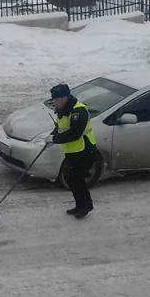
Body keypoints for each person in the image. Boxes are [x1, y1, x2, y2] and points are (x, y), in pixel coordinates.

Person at [48, 84, 96, 219]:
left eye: (57, 99)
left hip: (85, 151)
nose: (55, 102)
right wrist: (50, 137)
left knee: (77, 180)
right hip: (72, 151)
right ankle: (79, 205)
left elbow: (75, 134)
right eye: (54, 100)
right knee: (72, 179)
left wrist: (55, 139)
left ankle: (86, 207)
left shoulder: (78, 111)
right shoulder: (62, 109)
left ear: (65, 97)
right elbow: (60, 127)